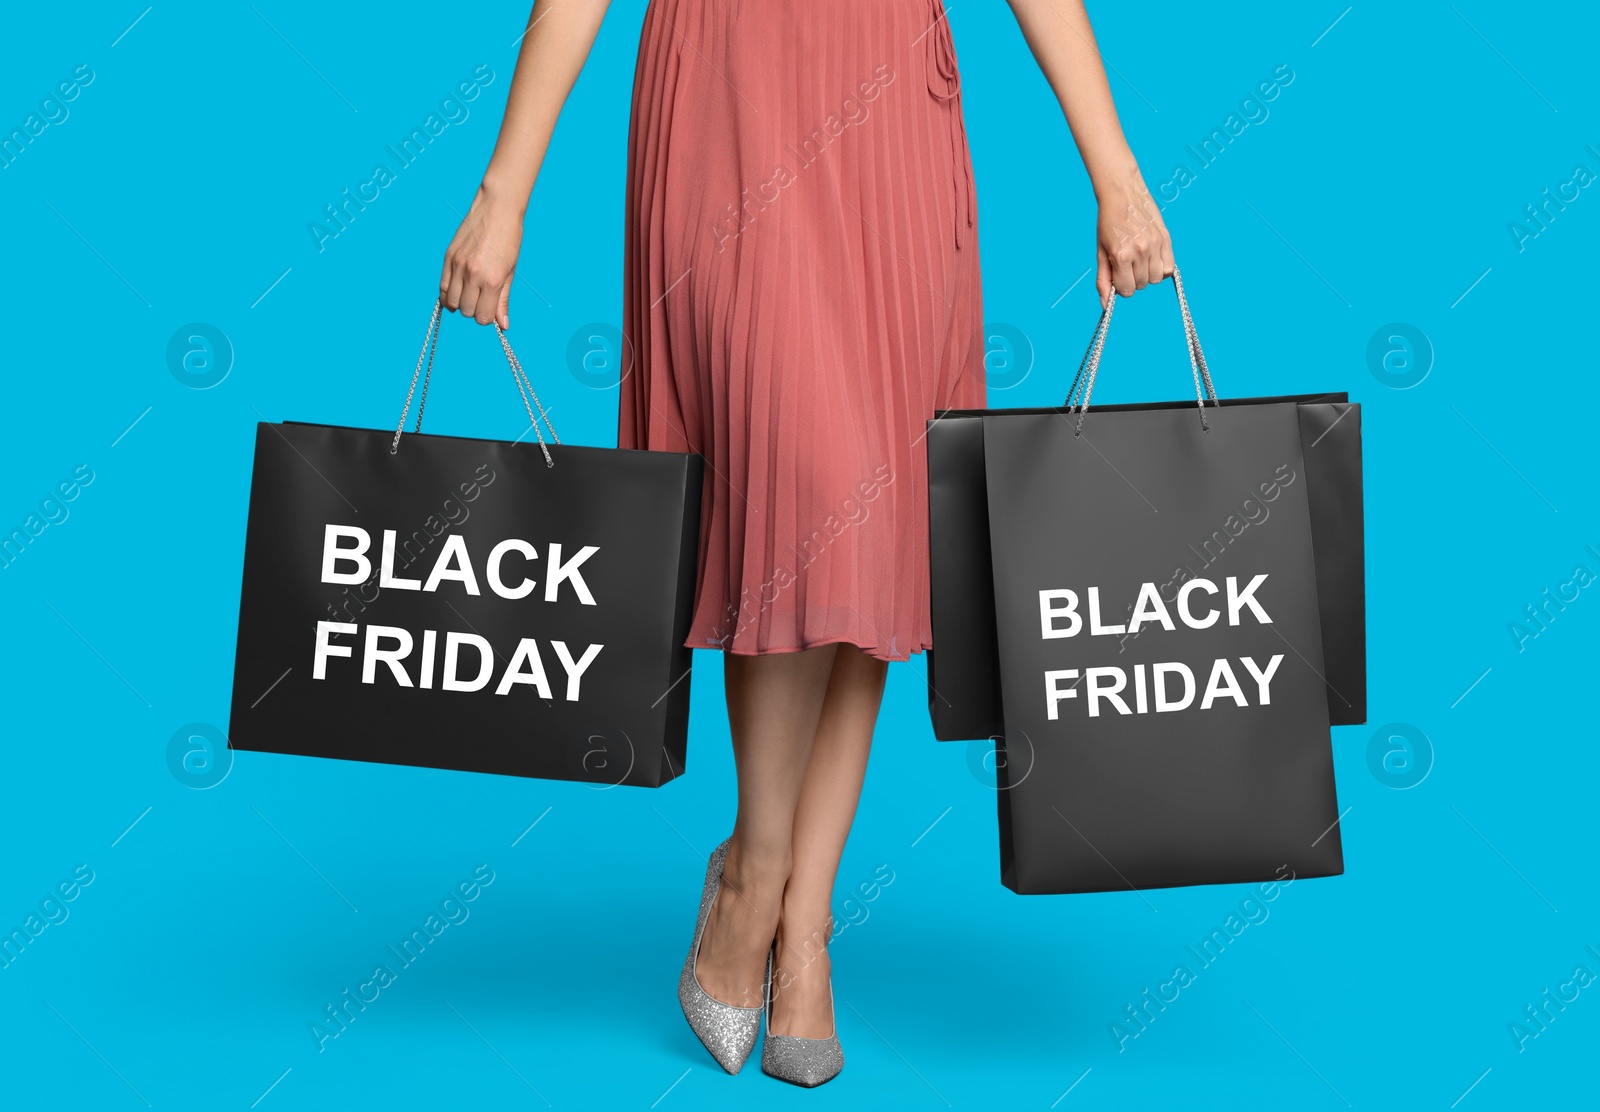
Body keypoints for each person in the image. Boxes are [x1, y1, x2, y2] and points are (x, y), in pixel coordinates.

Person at [439, 0, 1173, 1088]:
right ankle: (752, 871)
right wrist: (505, 187)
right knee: (786, 492)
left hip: (890, 116)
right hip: (727, 103)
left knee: (871, 527)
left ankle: (806, 917)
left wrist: (1112, 170)